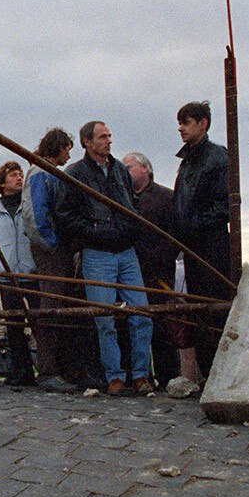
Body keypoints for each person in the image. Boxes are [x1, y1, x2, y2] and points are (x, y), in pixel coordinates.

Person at [54, 121, 154, 396]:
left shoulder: (120, 170)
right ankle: (114, 376)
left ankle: (141, 375)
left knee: (141, 314)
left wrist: (129, 230)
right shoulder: (75, 173)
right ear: (87, 142)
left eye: (109, 136)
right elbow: (65, 216)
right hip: (97, 253)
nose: (109, 141)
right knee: (104, 319)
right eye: (102, 137)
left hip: (126, 250)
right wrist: (95, 233)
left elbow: (132, 205)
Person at [171, 100, 232, 379]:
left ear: (203, 123)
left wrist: (192, 226)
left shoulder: (217, 158)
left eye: (186, 122)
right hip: (192, 245)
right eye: (180, 123)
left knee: (215, 307)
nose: (181, 129)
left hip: (212, 245)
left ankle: (221, 371)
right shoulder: (188, 160)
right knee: (200, 310)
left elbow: (224, 206)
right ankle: (208, 372)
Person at [122, 152, 191, 392]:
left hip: (159, 269)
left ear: (145, 169)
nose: (125, 172)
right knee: (133, 322)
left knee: (163, 324)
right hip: (131, 269)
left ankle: (168, 374)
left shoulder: (166, 198)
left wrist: (164, 256)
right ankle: (140, 375)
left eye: (129, 167)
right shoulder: (124, 198)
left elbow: (177, 234)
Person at [24, 127, 82, 393]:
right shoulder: (40, 172)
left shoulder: (52, 172)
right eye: (67, 148)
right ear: (57, 147)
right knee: (51, 305)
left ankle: (64, 367)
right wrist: (52, 245)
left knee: (62, 304)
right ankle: (48, 370)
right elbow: (35, 215)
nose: (70, 154)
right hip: (51, 249)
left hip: (60, 247)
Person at [0, 161, 36, 386]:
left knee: (40, 323)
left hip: (32, 274)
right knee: (14, 325)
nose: (19, 178)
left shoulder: (29, 207)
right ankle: (22, 371)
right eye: (13, 175)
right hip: (7, 276)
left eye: (20, 174)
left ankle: (48, 368)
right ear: (2, 183)